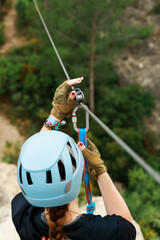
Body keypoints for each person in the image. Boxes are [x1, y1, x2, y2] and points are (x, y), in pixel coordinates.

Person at [11, 77, 136, 240]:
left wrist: (56, 115)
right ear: (79, 172)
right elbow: (127, 226)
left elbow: (29, 168)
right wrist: (98, 169)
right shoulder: (103, 233)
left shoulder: (26, 222)